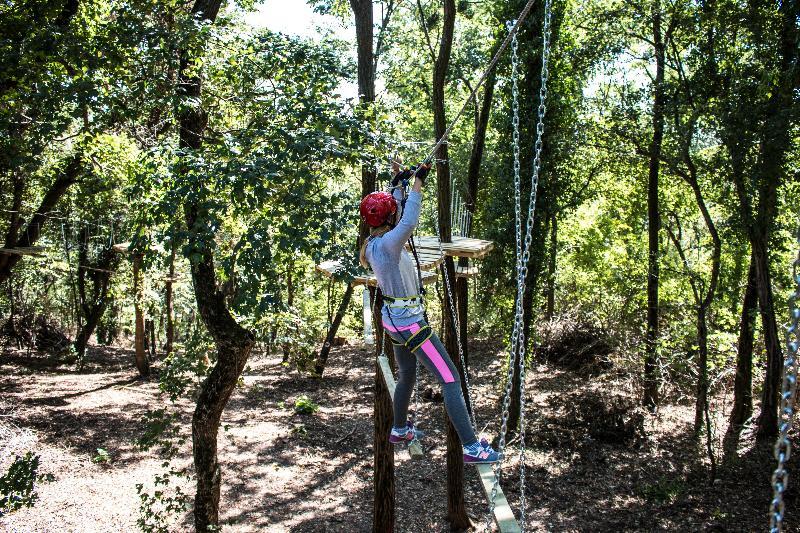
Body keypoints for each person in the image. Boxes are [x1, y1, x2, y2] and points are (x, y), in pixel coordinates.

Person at [359, 160, 500, 464]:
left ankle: (398, 429)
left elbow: (393, 213)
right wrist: (418, 184)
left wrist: (398, 183)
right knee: (450, 379)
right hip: (411, 325)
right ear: (389, 218)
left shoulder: (372, 244)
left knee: (408, 374)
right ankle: (472, 448)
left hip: (394, 323)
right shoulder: (391, 243)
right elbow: (407, 222)